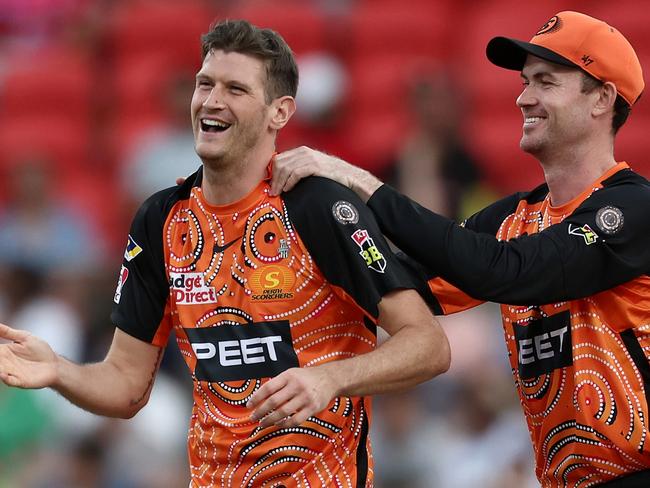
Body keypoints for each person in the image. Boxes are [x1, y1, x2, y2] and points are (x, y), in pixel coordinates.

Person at [0, 19, 450, 487]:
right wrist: (58, 371)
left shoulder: (318, 208)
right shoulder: (160, 220)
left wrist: (330, 379)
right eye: (204, 84)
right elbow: (126, 386)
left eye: (235, 89)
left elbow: (429, 345)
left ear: (280, 112)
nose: (211, 101)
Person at [271, 11, 650, 488]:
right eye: (525, 81)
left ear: (602, 99)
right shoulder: (515, 218)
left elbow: (506, 271)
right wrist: (278, 282)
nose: (523, 96)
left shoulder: (634, 208)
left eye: (546, 82)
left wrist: (361, 185)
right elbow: (403, 283)